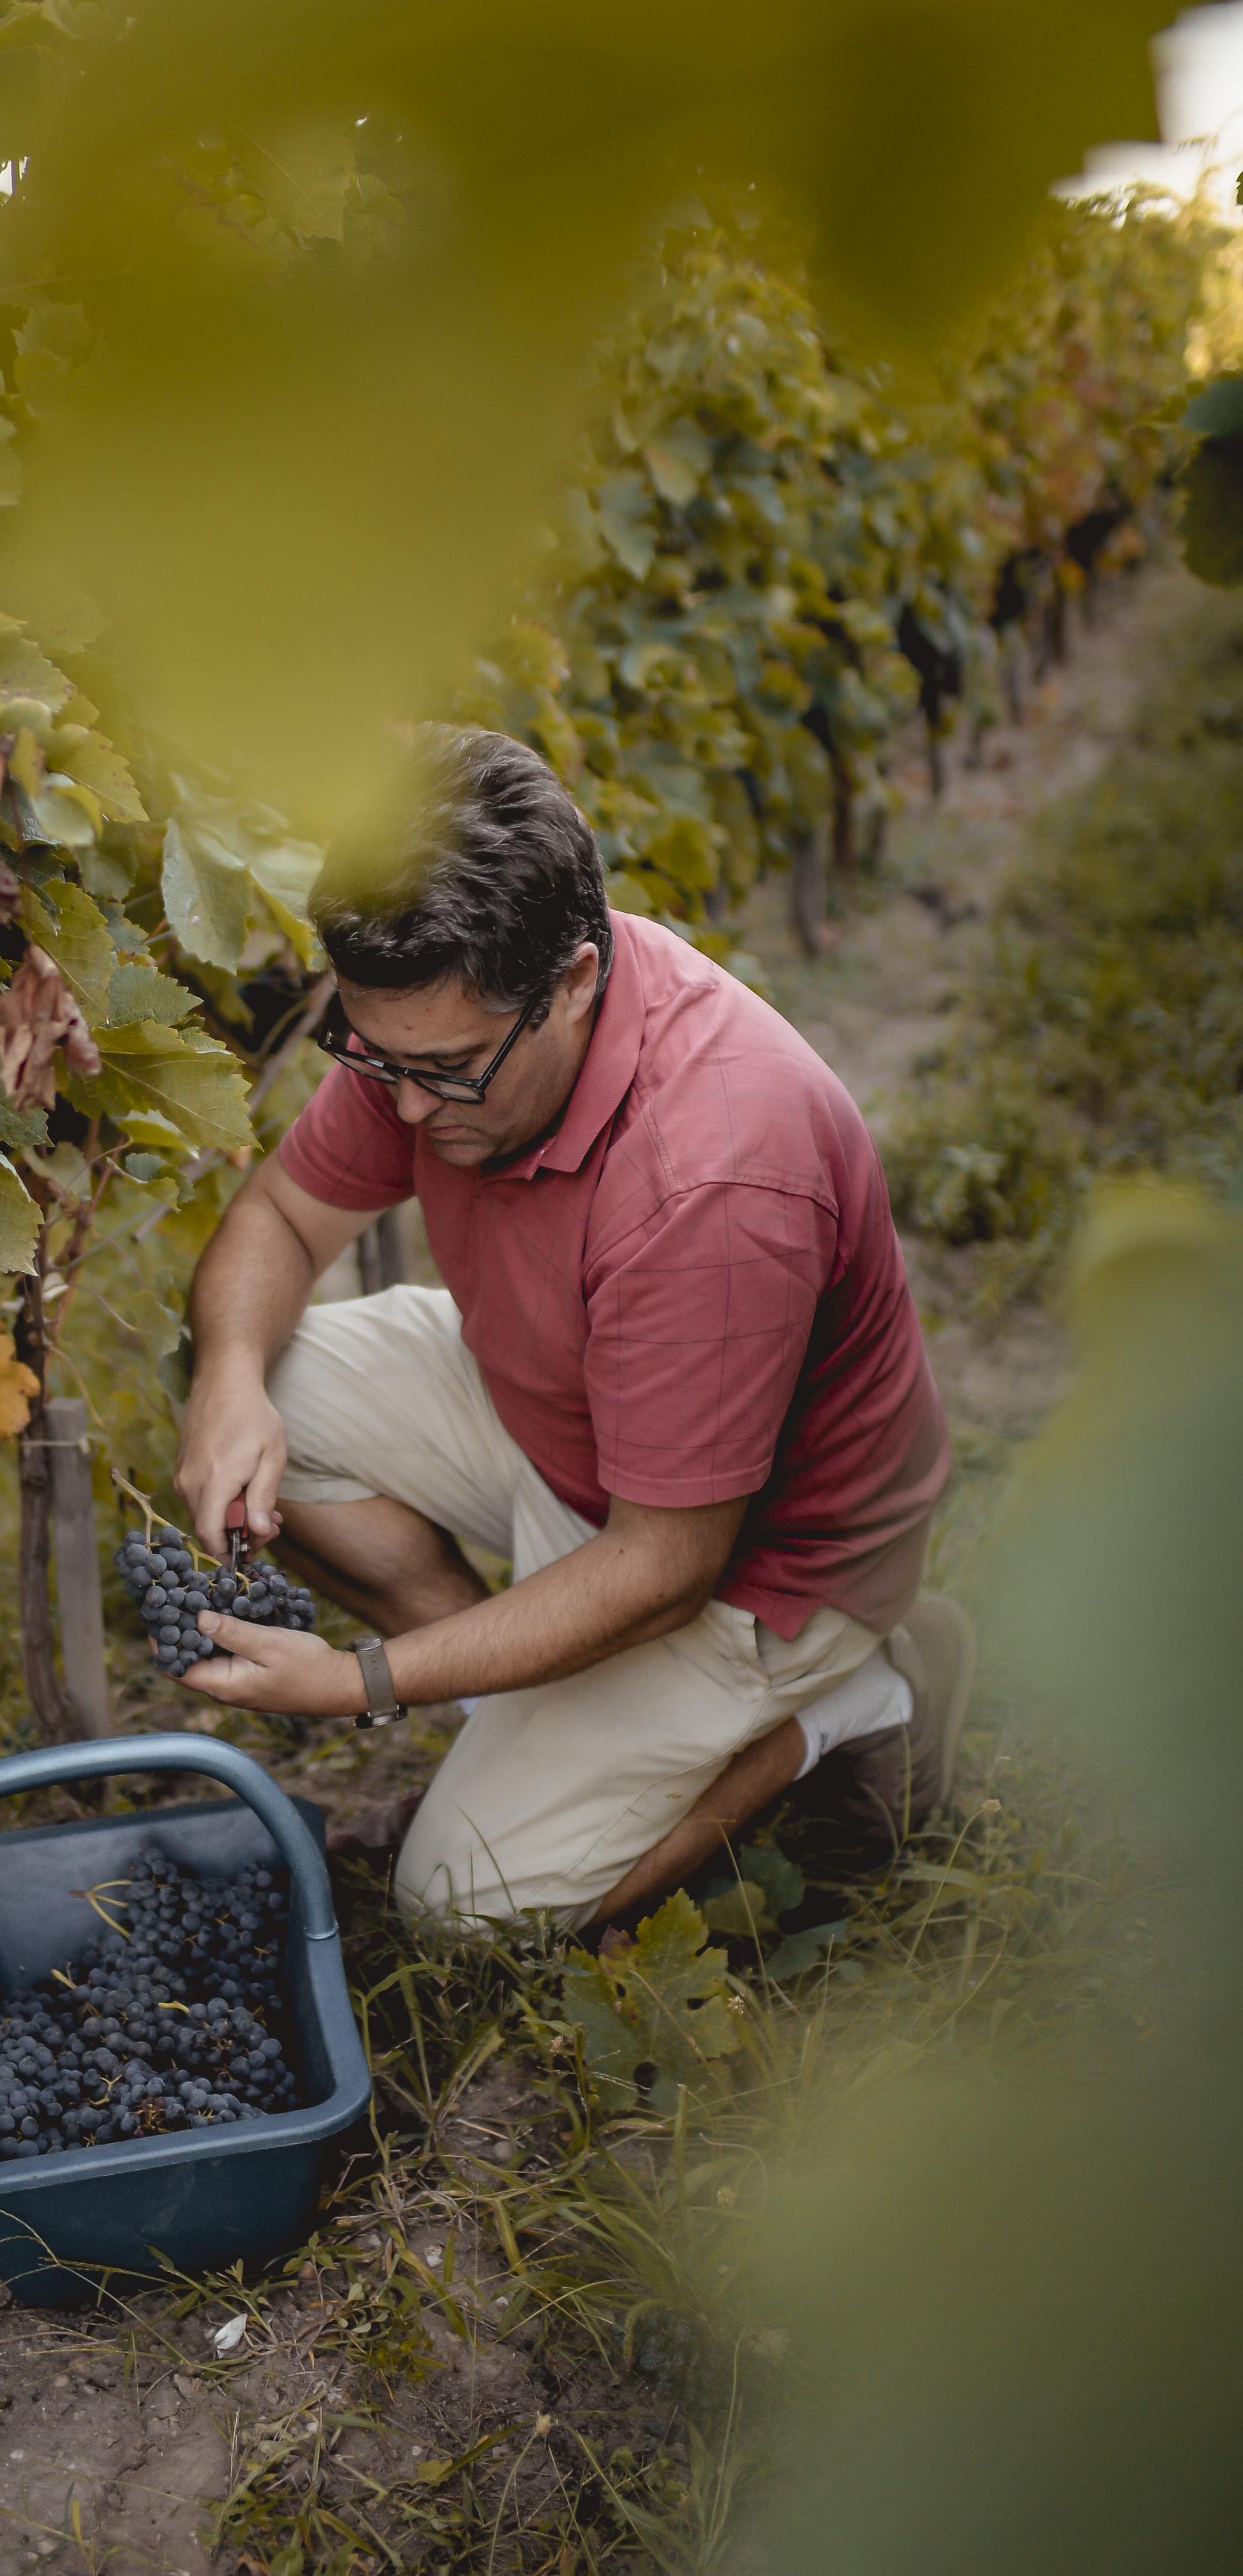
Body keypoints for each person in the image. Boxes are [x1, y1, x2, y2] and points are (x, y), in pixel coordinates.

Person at [169, 727, 973, 1927]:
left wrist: (361, 1682)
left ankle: (850, 1709)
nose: (395, 1103)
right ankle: (545, 1734)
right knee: (252, 1371)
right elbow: (281, 1218)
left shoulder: (716, 1182)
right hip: (575, 1424)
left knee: (465, 1906)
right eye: (369, 1055)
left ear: (577, 984)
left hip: (755, 1569)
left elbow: (665, 1567)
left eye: (438, 1072)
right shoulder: (447, 1023)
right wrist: (230, 1375)